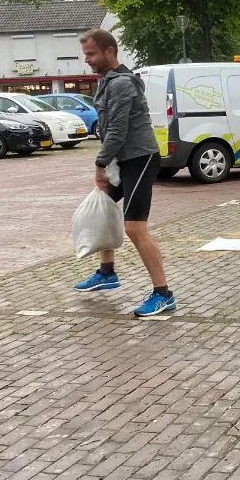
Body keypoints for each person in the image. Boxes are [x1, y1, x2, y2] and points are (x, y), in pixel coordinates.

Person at [74, 28, 174, 318]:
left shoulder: (121, 84)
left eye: (91, 54)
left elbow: (117, 130)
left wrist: (100, 164)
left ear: (109, 51)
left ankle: (163, 294)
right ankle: (107, 272)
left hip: (140, 159)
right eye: (85, 54)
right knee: (104, 207)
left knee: (134, 228)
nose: (87, 60)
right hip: (123, 159)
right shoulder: (108, 81)